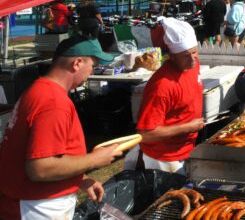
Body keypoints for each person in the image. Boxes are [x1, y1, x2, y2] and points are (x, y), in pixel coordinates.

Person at [0, 36, 121, 219]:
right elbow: (40, 168)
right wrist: (95, 159)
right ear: (77, 63)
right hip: (36, 205)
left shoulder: (40, 89)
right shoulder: (53, 101)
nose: (92, 72)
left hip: (30, 198)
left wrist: (79, 178)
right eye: (93, 65)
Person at [135, 18, 204, 173]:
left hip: (186, 149)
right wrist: (188, 127)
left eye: (195, 52)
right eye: (186, 55)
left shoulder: (193, 65)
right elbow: (145, 134)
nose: (193, 59)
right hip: (163, 158)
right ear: (172, 56)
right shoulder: (162, 86)